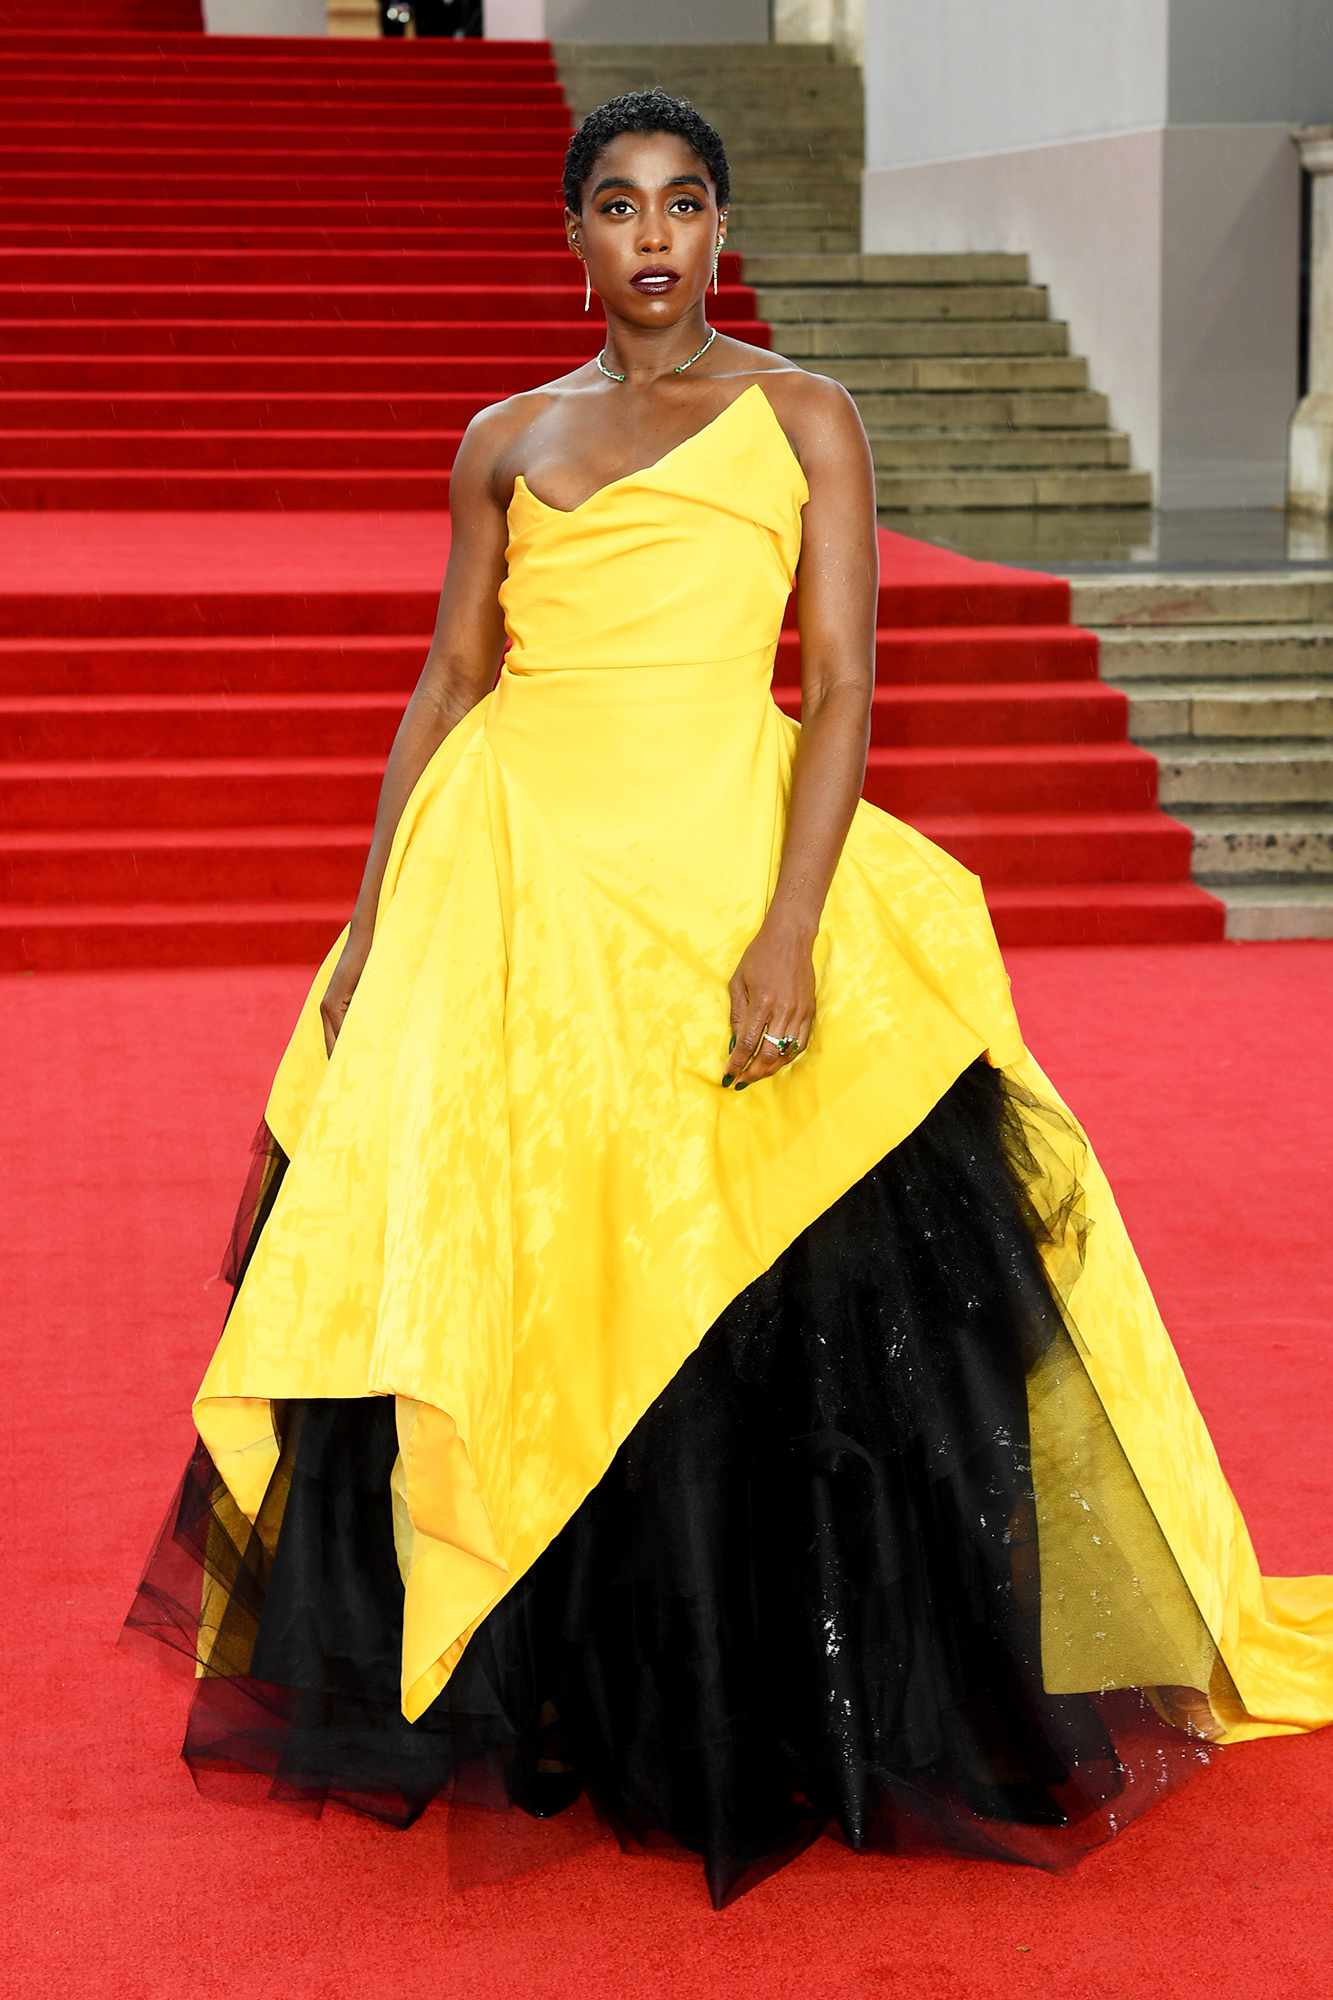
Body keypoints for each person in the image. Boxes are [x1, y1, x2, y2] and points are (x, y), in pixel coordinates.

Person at [118, 90, 1333, 1912]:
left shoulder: (802, 419)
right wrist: (373, 931)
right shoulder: (502, 438)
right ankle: (552, 1692)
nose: (654, 238)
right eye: (616, 208)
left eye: (684, 203)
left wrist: (787, 926)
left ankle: (770, 1685)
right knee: (527, 1262)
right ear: (577, 240)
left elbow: (840, 683)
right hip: (520, 897)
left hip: (712, 875)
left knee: (754, 1275)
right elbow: (449, 684)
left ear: (719, 223)